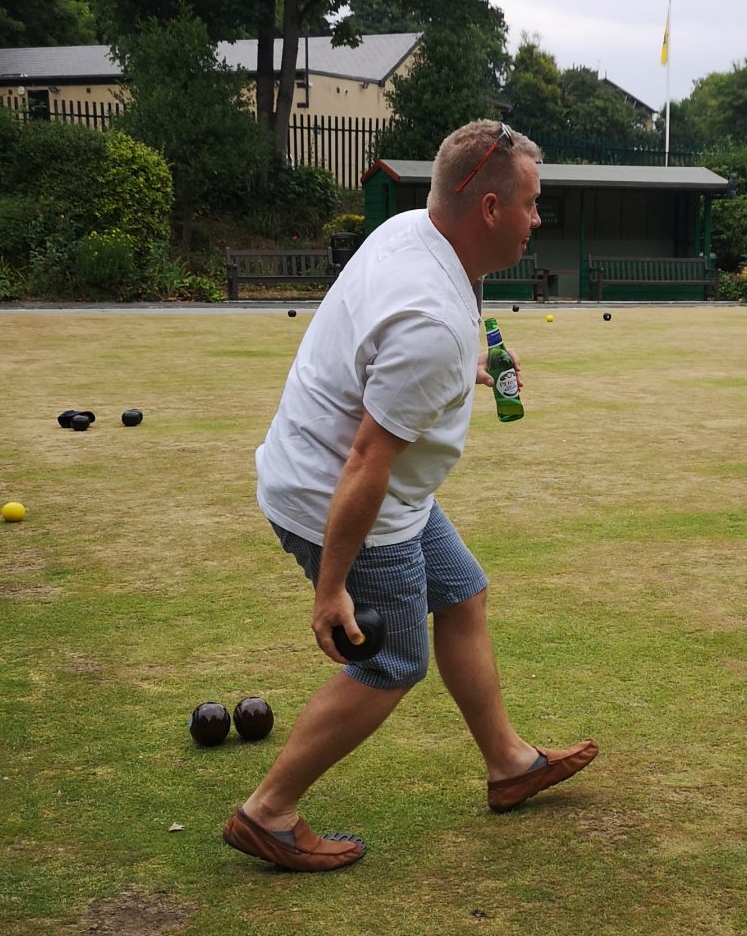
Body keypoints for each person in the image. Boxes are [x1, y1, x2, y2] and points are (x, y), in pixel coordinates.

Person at [226, 120, 598, 871]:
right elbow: (368, 459)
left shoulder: (411, 233)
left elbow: (387, 352)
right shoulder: (433, 324)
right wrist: (331, 588)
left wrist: (466, 369)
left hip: (364, 483)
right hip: (344, 499)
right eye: (530, 205)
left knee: (462, 593)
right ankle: (268, 813)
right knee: (392, 661)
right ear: (488, 209)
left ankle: (508, 764)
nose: (536, 220)